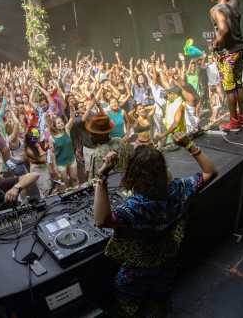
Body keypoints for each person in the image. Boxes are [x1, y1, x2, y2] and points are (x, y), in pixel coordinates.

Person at [93, 133, 217, 318]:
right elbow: (210, 172)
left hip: (137, 271)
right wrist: (189, 144)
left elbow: (101, 220)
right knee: (160, 297)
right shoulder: (179, 189)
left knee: (129, 302)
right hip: (167, 260)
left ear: (132, 174)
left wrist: (102, 176)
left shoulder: (135, 207)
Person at [206, 0, 243, 132]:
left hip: (227, 54)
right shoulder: (233, 5)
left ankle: (234, 122)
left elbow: (223, 30)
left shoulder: (216, 10)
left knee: (229, 89)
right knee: (238, 85)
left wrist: (215, 45)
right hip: (240, 49)